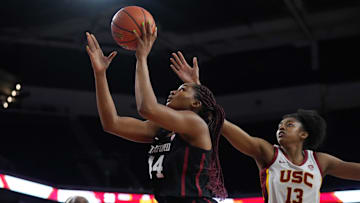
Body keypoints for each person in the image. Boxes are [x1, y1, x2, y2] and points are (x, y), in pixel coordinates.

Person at [169, 51, 360, 203]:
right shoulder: (268, 153)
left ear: (304, 134)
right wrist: (198, 90)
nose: (281, 128)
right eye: (280, 126)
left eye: (289, 125)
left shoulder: (320, 161)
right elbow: (222, 123)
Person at [85, 21, 227, 203]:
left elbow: (147, 108)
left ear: (195, 103)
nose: (173, 91)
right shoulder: (161, 130)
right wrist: (100, 74)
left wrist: (142, 58)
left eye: (182, 89)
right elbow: (111, 123)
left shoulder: (195, 124)